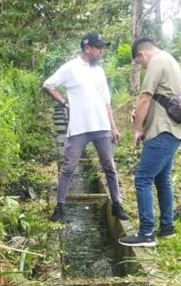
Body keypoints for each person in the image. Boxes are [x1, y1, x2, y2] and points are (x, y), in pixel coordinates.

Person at [42, 32, 128, 222]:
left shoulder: (99, 71)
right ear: (87, 48)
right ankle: (60, 207)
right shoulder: (70, 68)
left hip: (102, 127)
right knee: (68, 168)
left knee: (109, 167)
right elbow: (48, 85)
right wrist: (65, 103)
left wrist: (113, 127)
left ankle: (117, 205)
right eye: (98, 48)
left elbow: (107, 101)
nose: (101, 52)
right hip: (78, 128)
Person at [119, 37, 181, 247]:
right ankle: (167, 227)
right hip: (174, 130)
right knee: (162, 179)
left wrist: (137, 129)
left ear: (142, 55)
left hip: (161, 131)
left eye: (140, 63)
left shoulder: (156, 62)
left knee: (143, 179)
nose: (142, 66)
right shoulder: (171, 61)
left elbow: (144, 98)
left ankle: (146, 232)